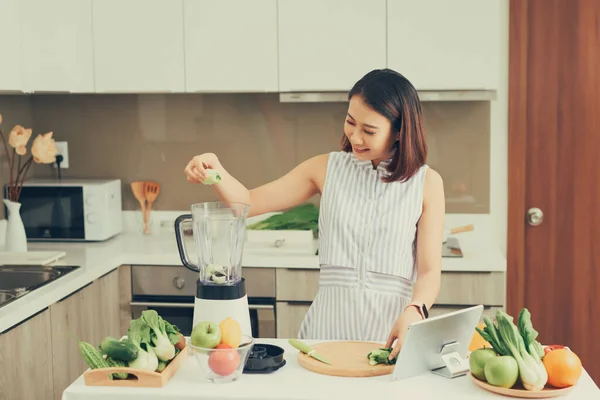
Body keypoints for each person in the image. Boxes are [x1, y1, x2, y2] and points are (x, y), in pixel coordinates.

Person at [184, 68, 444, 361]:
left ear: (400, 132)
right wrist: (215, 171)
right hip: (325, 334)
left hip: (388, 336)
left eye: (369, 130)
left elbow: (429, 271)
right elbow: (247, 202)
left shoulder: (427, 183)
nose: (355, 136)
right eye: (350, 122)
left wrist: (416, 309)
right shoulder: (325, 168)